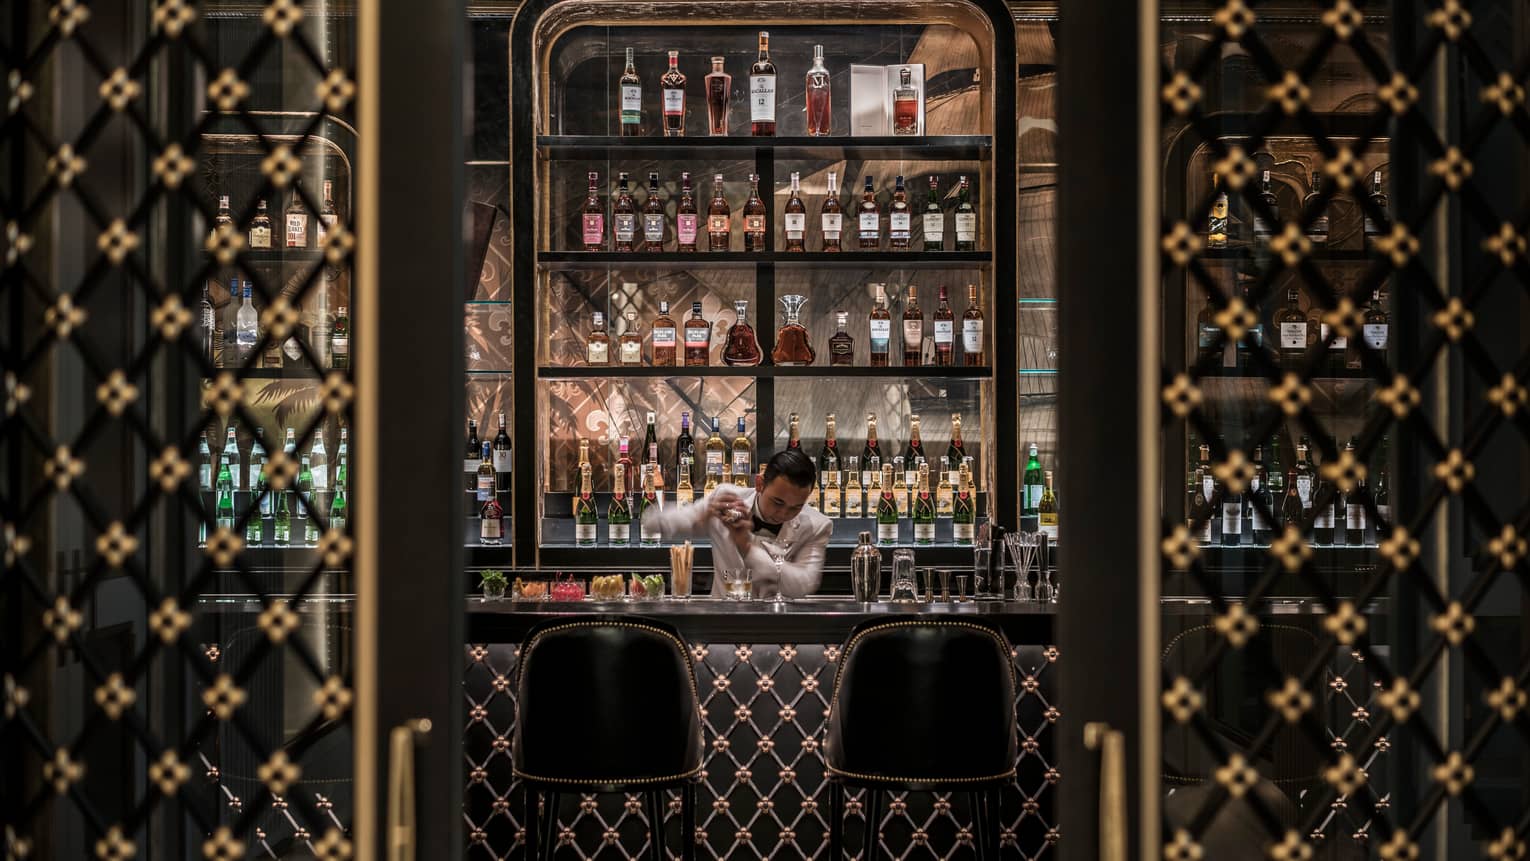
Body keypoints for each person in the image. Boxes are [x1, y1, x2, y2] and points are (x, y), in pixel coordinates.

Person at [644, 448, 830, 598]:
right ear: (759, 484)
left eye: (795, 507)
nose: (783, 513)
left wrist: (746, 546)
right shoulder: (728, 497)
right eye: (777, 502)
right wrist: (702, 515)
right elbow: (652, 523)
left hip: (779, 628)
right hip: (722, 625)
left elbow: (804, 584)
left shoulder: (817, 525)